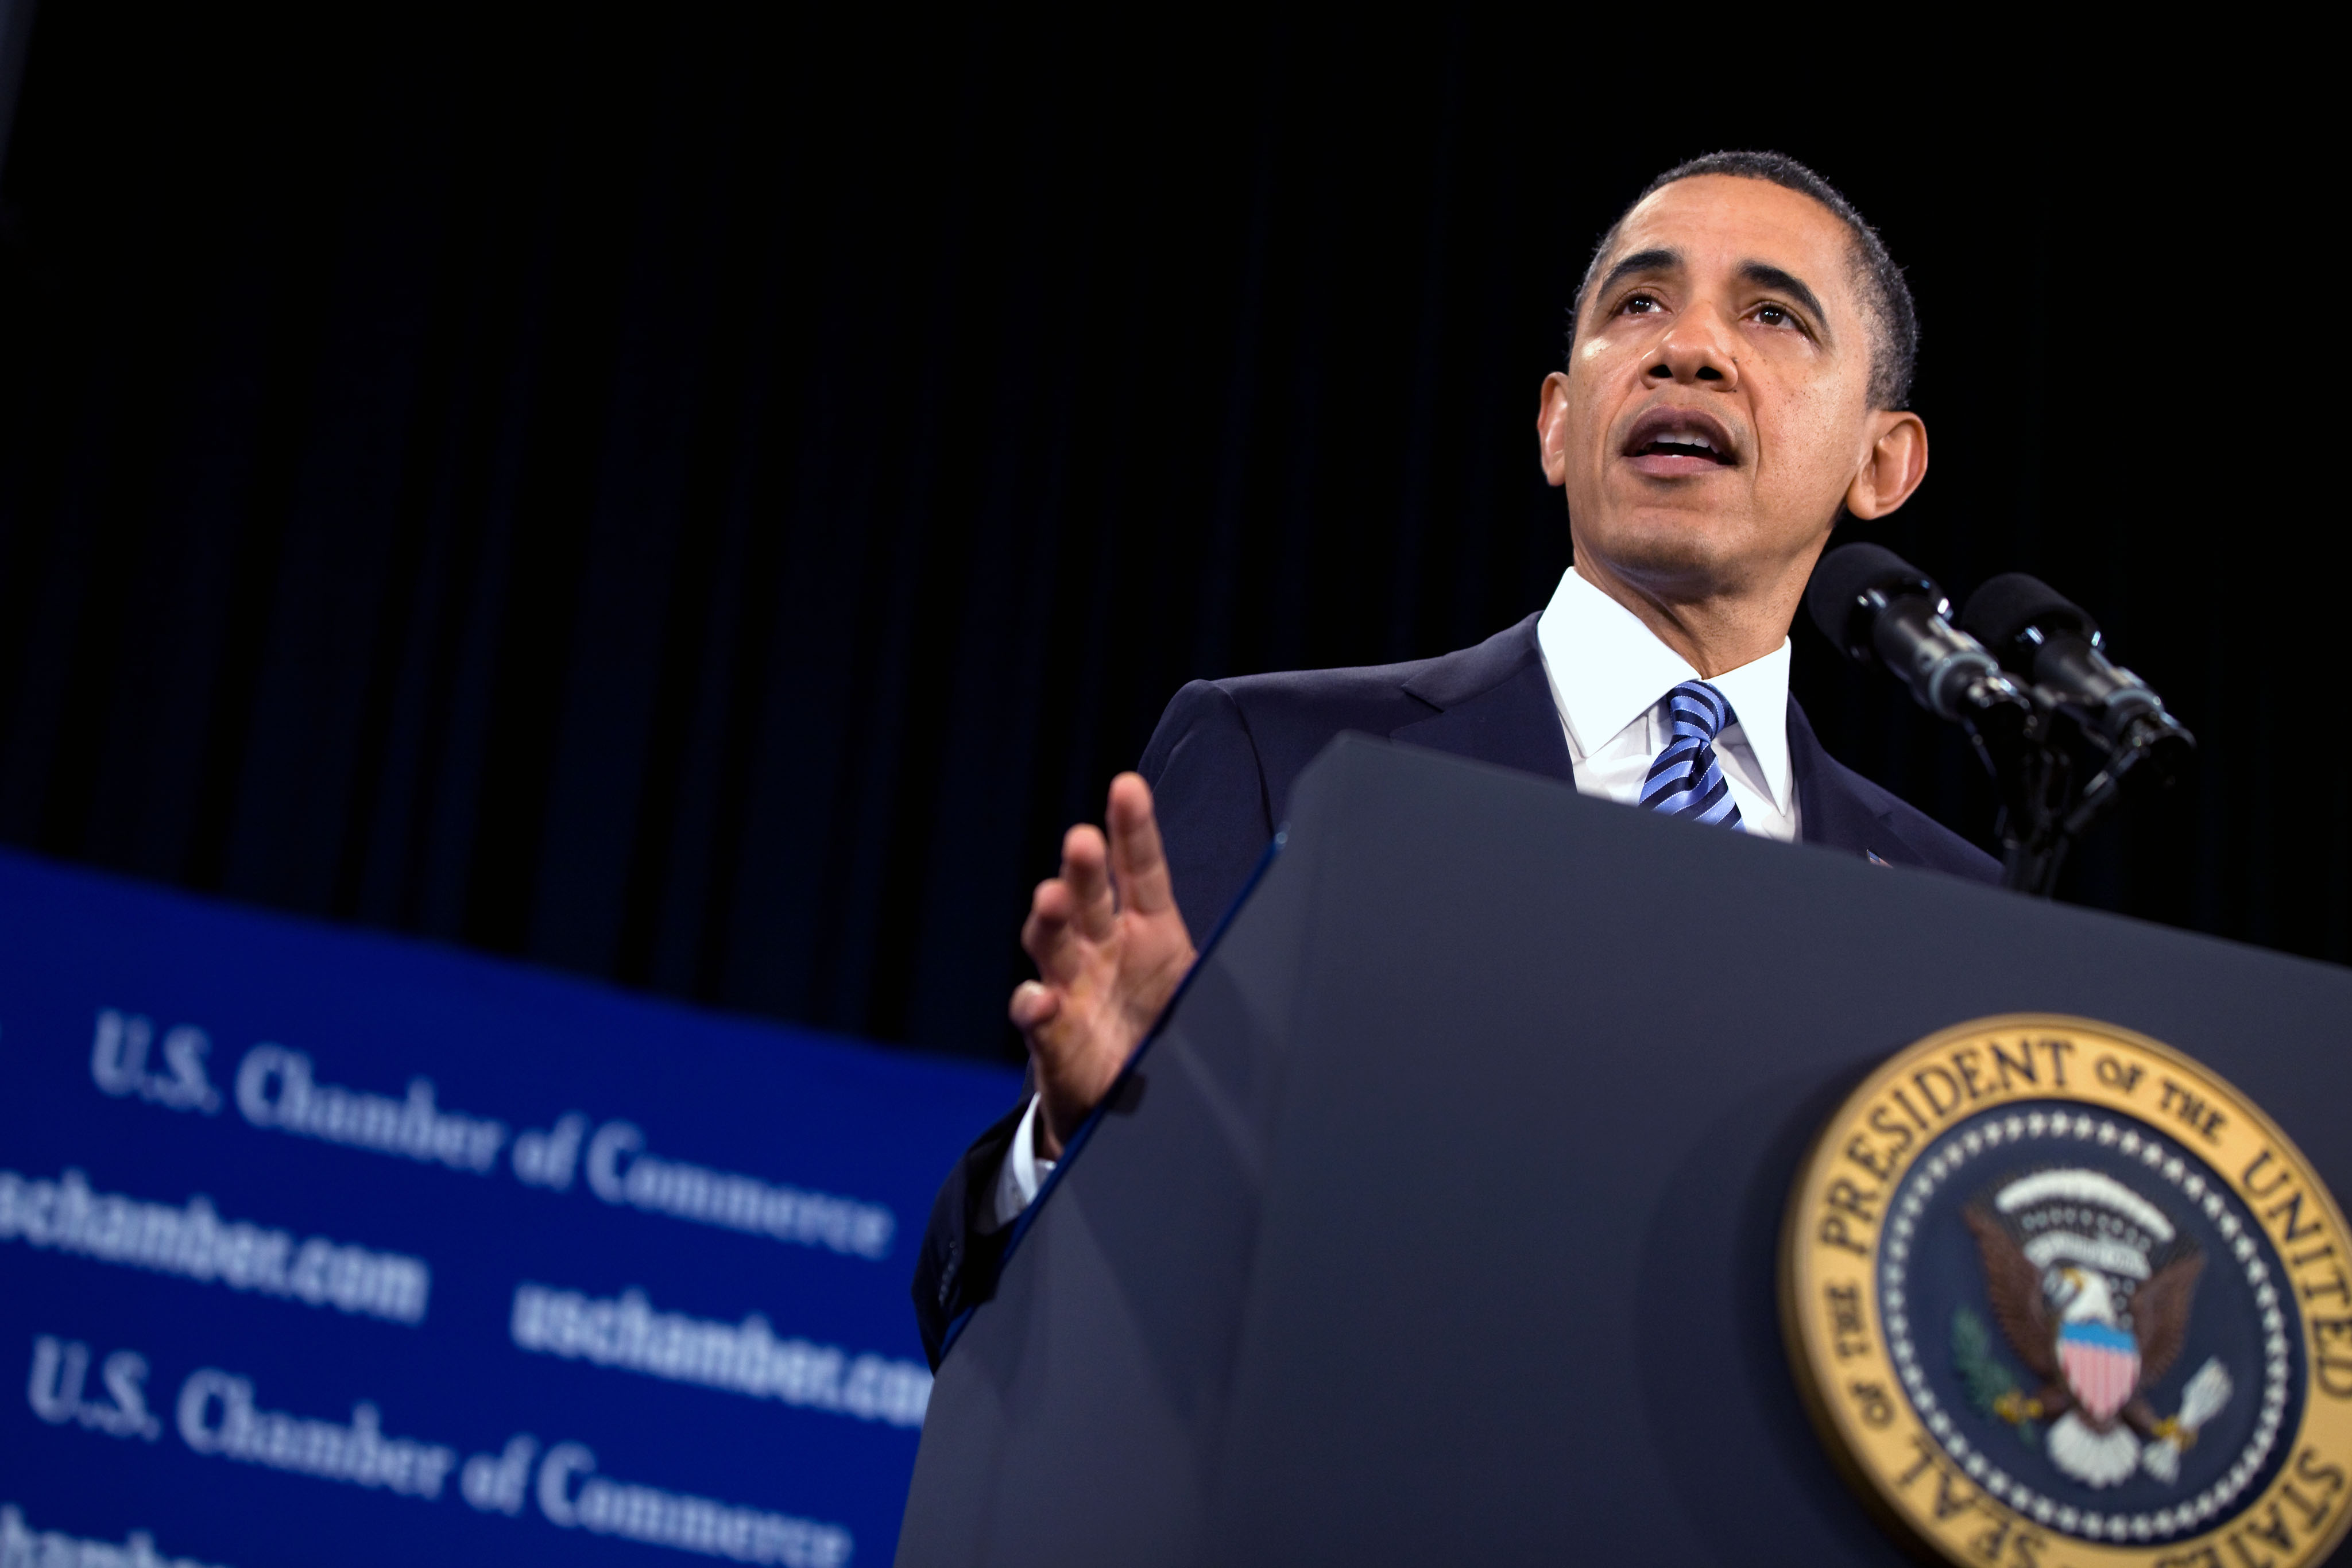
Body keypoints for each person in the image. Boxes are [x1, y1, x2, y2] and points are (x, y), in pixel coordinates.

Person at [911, 150, 1997, 1367]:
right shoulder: (1290, 762)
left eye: (1771, 315)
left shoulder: (1957, 912)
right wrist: (1086, 1143)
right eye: (1635, 304)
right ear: (1555, 421)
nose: (1686, 349)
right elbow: (988, 1305)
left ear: (1881, 461)